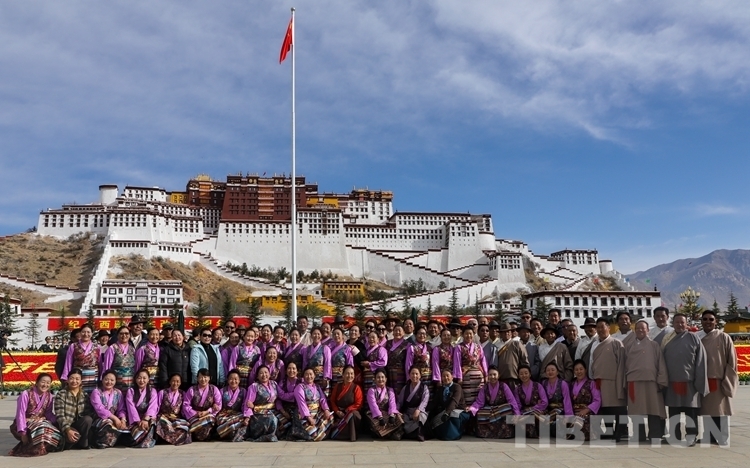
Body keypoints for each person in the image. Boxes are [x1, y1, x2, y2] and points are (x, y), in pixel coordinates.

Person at [663, 313, 708, 446]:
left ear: (686, 324)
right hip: (672, 382)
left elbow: (701, 361)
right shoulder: (667, 339)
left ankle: (691, 436)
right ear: (673, 324)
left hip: (690, 383)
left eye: (682, 322)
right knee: (674, 411)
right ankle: (675, 435)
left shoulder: (694, 338)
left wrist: (699, 380)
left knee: (691, 411)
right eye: (677, 322)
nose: (680, 325)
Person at [699, 310, 738, 446]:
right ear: (701, 321)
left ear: (715, 321)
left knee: (721, 411)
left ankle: (723, 438)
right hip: (703, 381)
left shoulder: (723, 337)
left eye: (711, 319)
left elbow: (731, 361)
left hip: (719, 380)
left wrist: (728, 381)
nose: (708, 322)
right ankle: (709, 436)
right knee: (707, 411)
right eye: (705, 319)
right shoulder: (697, 337)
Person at [624, 320, 667, 442]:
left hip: (651, 381)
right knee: (636, 410)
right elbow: (624, 365)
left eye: (643, 328)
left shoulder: (654, 345)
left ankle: (655, 434)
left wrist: (661, 380)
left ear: (648, 330)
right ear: (634, 330)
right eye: (638, 328)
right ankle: (639, 435)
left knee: (654, 409)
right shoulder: (629, 346)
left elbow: (661, 363)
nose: (640, 330)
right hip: (634, 381)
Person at [590, 317, 627, 442]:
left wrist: (621, 383)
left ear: (608, 328)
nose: (600, 330)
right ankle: (609, 431)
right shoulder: (595, 344)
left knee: (618, 408)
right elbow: (592, 363)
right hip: (599, 381)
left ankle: (619, 432)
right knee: (606, 409)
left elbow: (622, 364)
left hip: (614, 381)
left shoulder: (616, 343)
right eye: (598, 327)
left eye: (602, 327)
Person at [9, 373, 61, 457]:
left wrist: (58, 422)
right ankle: (35, 449)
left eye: (48, 383)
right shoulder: (26, 394)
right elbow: (20, 414)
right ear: (36, 382)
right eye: (43, 382)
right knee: (42, 427)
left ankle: (40, 447)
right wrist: (23, 432)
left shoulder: (49, 396)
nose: (45, 385)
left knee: (53, 429)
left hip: (39, 422)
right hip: (23, 424)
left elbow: (48, 413)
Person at [467, 365, 519, 439]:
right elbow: (479, 402)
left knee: (507, 409)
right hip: (489, 410)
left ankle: (506, 433)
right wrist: (472, 408)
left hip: (501, 410)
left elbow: (512, 401)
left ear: (498, 375)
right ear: (488, 376)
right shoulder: (484, 388)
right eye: (490, 375)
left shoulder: (504, 386)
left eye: (494, 374)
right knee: (479, 413)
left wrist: (517, 414)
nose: (492, 377)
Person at [54, 368, 93, 450]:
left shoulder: (84, 395)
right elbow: (60, 415)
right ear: (67, 380)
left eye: (77, 379)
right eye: (71, 378)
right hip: (66, 426)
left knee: (88, 419)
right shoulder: (61, 394)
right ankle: (71, 441)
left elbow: (88, 413)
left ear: (81, 381)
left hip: (79, 425)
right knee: (74, 436)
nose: (74, 381)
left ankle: (82, 443)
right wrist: (68, 430)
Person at [292, 367, 333, 441]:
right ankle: (318, 433)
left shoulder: (317, 386)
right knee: (314, 435)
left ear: (314, 376)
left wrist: (326, 410)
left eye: (311, 374)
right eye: (306, 374)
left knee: (330, 418)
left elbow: (322, 399)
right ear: (303, 376)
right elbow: (301, 404)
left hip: (317, 413)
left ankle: (320, 432)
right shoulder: (300, 387)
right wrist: (309, 418)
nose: (309, 376)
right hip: (304, 415)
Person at [90, 369, 127, 448]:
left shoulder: (118, 393)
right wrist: (115, 418)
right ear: (102, 380)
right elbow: (99, 409)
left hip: (114, 419)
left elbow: (121, 409)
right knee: (108, 424)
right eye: (106, 379)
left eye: (112, 380)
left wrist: (122, 420)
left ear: (115, 381)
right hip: (99, 418)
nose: (109, 382)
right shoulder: (96, 392)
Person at [182, 368, 222, 441]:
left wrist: (208, 411)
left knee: (209, 420)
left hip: (208, 414)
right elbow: (185, 405)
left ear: (209, 378)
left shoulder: (214, 389)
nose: (203, 379)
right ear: (197, 378)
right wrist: (195, 413)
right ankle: (201, 435)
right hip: (195, 415)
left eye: (205, 377)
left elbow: (218, 404)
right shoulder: (191, 389)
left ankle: (200, 435)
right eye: (200, 377)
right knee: (198, 424)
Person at [244, 365, 281, 442]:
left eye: (266, 372)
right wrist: (247, 417)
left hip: (273, 410)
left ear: (269, 374)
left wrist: (293, 394)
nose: (264, 375)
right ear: (257, 376)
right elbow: (248, 403)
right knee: (272, 418)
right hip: (259, 413)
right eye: (261, 373)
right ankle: (268, 436)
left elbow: (281, 395)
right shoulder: (254, 386)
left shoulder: (274, 384)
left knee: (285, 420)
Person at [60, 324, 100, 394]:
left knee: (93, 396)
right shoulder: (73, 346)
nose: (86, 334)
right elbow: (68, 362)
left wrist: (102, 377)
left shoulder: (97, 347)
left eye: (88, 332)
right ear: (80, 333)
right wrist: (66, 377)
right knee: (78, 395)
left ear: (92, 333)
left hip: (93, 377)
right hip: (78, 376)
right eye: (83, 332)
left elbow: (100, 363)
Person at [429, 368, 469, 440]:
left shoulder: (457, 387)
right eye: (443, 376)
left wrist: (447, 413)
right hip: (446, 411)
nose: (446, 378)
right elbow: (434, 402)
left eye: (447, 375)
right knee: (434, 420)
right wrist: (424, 409)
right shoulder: (440, 389)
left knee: (451, 417)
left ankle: (454, 434)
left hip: (458, 410)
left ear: (452, 377)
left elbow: (454, 401)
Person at [366, 368, 405, 440]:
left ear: (386, 379)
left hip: (387, 412)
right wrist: (380, 417)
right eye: (378, 377)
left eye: (382, 377)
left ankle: (390, 433)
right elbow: (373, 405)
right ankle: (387, 434)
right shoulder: (371, 390)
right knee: (377, 423)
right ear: (375, 379)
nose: (380, 379)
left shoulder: (390, 390)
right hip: (376, 414)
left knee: (399, 417)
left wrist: (391, 415)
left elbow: (392, 403)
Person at [454, 326, 487, 407]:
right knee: (468, 396)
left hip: (479, 376)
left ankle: (478, 411)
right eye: (466, 334)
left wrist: (486, 374)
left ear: (473, 334)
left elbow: (483, 360)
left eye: (470, 334)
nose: (468, 336)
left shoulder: (478, 346)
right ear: (462, 335)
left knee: (479, 395)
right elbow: (457, 363)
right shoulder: (459, 347)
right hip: (466, 377)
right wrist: (459, 377)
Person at [124, 368, 158, 448]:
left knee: (152, 423)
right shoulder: (131, 391)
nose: (141, 380)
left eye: (144, 378)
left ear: (148, 379)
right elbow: (131, 408)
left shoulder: (152, 391)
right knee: (137, 432)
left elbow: (152, 406)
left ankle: (147, 440)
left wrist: (145, 419)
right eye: (139, 378)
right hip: (135, 419)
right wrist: (138, 421)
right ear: (135, 379)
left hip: (147, 418)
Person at [155, 373, 192, 446]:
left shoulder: (182, 393)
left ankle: (169, 439)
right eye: (173, 381)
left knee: (185, 427)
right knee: (163, 424)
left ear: (180, 383)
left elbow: (184, 408)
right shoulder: (162, 392)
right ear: (170, 382)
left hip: (176, 418)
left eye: (178, 381)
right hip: (164, 417)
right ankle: (170, 438)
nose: (175, 383)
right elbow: (157, 407)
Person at [329, 365, 364, 441]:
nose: (349, 376)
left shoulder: (356, 388)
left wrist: (348, 410)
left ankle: (351, 435)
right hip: (339, 414)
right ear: (343, 375)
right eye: (347, 373)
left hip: (351, 413)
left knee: (351, 415)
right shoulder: (337, 387)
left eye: (351, 374)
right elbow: (332, 401)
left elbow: (359, 403)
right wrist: (337, 411)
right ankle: (339, 434)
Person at [514, 364, 548, 439]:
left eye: (526, 373)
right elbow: (517, 404)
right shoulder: (517, 389)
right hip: (524, 411)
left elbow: (544, 402)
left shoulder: (538, 385)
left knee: (533, 416)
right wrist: (517, 414)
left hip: (537, 410)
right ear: (518, 375)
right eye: (521, 374)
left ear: (530, 374)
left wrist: (532, 409)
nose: (524, 375)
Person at [571, 359, 601, 441]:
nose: (579, 372)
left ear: (585, 370)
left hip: (587, 412)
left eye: (581, 369)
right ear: (574, 372)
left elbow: (597, 400)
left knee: (581, 423)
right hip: (574, 412)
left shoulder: (592, 383)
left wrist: (586, 410)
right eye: (576, 370)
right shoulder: (572, 384)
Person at [398, 366, 430, 441]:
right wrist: (397, 411)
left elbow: (424, 401)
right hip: (408, 412)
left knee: (422, 417)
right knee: (403, 419)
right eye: (412, 374)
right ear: (409, 375)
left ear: (420, 375)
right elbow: (399, 402)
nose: (414, 376)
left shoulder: (424, 387)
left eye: (416, 374)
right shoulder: (405, 388)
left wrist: (418, 410)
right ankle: (410, 433)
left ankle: (420, 433)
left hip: (419, 411)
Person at [101, 325, 137, 392]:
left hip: (130, 383)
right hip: (116, 383)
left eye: (126, 333)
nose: (124, 335)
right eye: (121, 333)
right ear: (117, 335)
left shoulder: (132, 349)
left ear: (130, 335)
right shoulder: (112, 348)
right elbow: (107, 367)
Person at [215, 369, 248, 442]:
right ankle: (230, 433)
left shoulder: (243, 391)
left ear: (239, 380)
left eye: (236, 379)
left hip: (237, 414)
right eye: (231, 379)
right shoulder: (222, 390)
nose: (233, 381)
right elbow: (218, 404)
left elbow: (244, 405)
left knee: (243, 420)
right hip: (224, 414)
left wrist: (246, 416)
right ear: (227, 380)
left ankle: (226, 433)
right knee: (221, 420)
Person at [541, 362, 573, 436]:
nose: (550, 372)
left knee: (553, 423)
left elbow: (567, 400)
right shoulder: (544, 383)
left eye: (553, 370)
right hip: (548, 410)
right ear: (545, 373)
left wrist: (567, 417)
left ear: (557, 372)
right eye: (548, 370)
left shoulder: (563, 383)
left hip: (560, 411)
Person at [494, 322, 529, 388]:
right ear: (500, 333)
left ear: (511, 333)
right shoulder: (496, 346)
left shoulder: (517, 344)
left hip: (514, 378)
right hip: (500, 378)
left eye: (508, 332)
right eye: (504, 332)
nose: (506, 333)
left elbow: (524, 359)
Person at [302, 327, 332, 396]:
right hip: (309, 377)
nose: (316, 336)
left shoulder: (325, 348)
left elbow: (327, 363)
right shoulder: (307, 349)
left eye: (318, 334)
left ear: (321, 336)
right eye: (314, 334)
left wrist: (326, 377)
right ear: (311, 335)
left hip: (321, 377)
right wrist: (304, 376)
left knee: (323, 395)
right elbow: (304, 363)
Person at [405, 328, 434, 395]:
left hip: (428, 377)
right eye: (419, 333)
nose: (422, 335)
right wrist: (409, 378)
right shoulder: (412, 347)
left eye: (424, 334)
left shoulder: (429, 348)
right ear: (415, 335)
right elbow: (408, 364)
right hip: (416, 376)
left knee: (428, 395)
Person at [276, 361, 301, 438]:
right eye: (289, 368)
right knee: (279, 425)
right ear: (286, 371)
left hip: (297, 408)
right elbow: (278, 398)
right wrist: (283, 412)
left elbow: (302, 399)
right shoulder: (282, 382)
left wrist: (300, 411)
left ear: (297, 371)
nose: (291, 370)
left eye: (294, 368)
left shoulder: (301, 382)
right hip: (284, 408)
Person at [385, 325, 409, 397]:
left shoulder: (407, 344)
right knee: (389, 393)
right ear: (393, 332)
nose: (397, 332)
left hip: (400, 373)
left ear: (403, 332)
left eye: (399, 330)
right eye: (395, 330)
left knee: (399, 393)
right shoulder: (388, 343)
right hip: (388, 372)